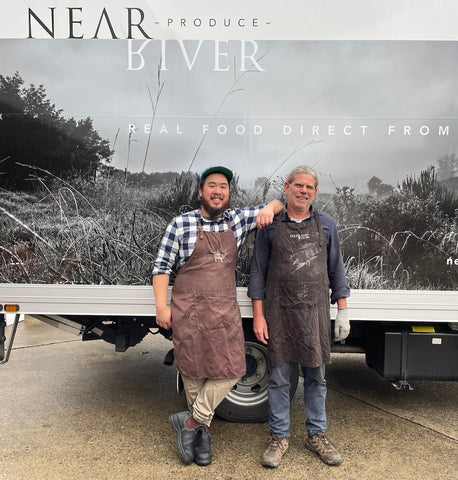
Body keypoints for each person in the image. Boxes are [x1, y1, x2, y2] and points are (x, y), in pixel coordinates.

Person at [152, 166, 284, 466]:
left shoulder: (237, 219)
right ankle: (202, 436)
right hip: (189, 312)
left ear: (228, 193)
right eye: (211, 186)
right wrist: (162, 307)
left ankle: (189, 422)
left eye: (223, 187)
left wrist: (267, 209)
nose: (217, 191)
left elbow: (279, 205)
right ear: (200, 192)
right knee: (194, 373)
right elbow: (161, 267)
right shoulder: (181, 224)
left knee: (234, 367)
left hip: (224, 311)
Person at [248, 165, 350, 468]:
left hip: (315, 314)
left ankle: (316, 434)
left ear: (315, 192)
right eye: (298, 185)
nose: (303, 191)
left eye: (309, 187)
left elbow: (336, 270)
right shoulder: (268, 225)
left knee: (316, 378)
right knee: (279, 379)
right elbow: (257, 273)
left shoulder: (327, 224)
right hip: (279, 313)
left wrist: (342, 310)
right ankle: (279, 437)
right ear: (287, 186)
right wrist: (258, 317)